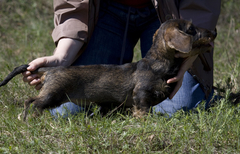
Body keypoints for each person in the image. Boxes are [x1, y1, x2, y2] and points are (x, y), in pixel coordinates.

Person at [22, 0, 221, 117]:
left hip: (170, 16)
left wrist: (191, 51)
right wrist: (62, 56)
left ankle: (206, 91)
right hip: (105, 11)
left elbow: (202, 4)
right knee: (66, 111)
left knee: (179, 108)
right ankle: (122, 98)